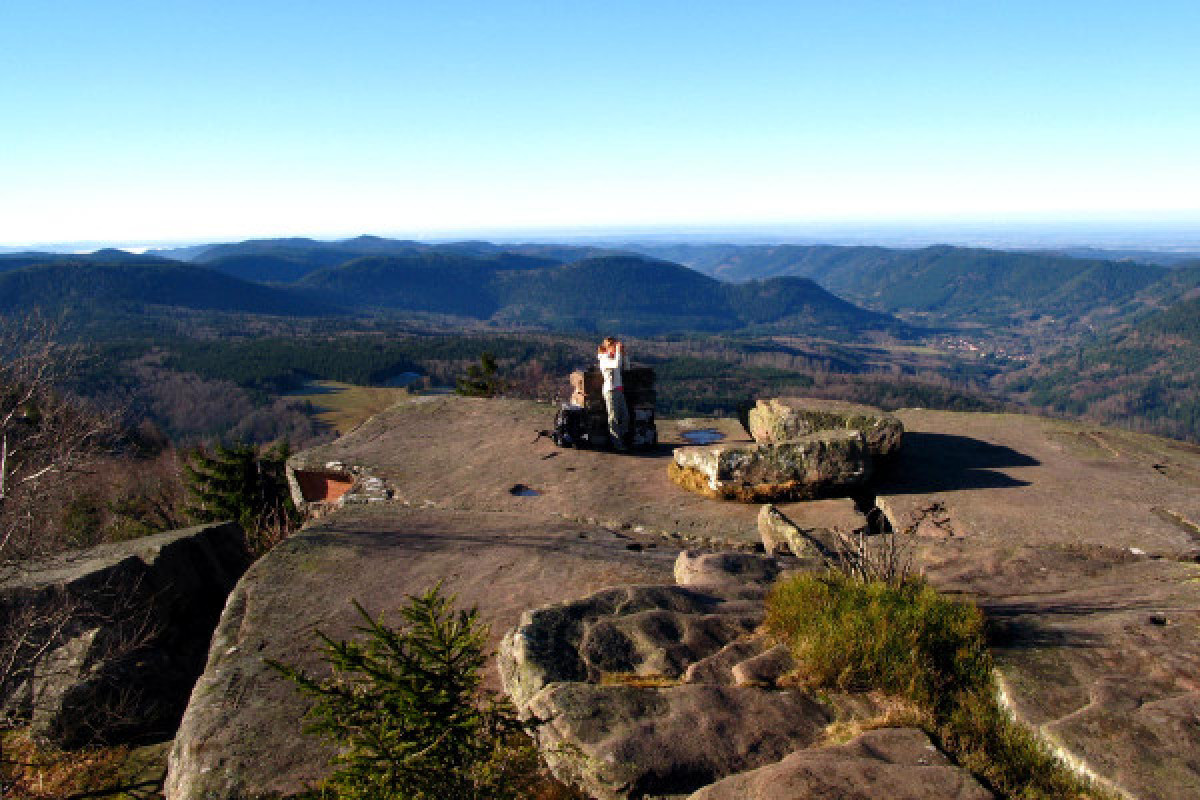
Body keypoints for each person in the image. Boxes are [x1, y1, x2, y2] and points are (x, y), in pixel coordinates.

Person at [597, 336, 629, 450]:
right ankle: (617, 444)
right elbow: (616, 364)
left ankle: (622, 439)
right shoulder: (604, 359)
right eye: (614, 346)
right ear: (608, 348)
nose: (616, 348)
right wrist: (619, 354)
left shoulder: (615, 357)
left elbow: (626, 367)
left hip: (619, 390)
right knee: (613, 418)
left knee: (625, 417)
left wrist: (624, 355)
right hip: (610, 391)